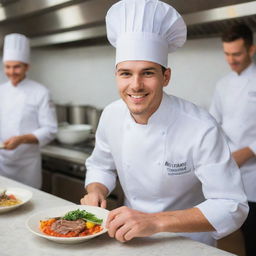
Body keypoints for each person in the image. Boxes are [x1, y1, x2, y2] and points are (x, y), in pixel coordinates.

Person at [81, 0, 248, 246]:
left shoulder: (200, 127)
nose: (135, 85)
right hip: (131, 236)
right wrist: (96, 190)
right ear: (116, 76)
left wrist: (155, 221)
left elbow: (231, 205)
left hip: (188, 242)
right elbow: (101, 166)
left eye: (147, 73)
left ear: (166, 77)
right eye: (126, 73)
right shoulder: (111, 114)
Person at [210, 24, 256, 255]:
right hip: (231, 171)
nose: (231, 60)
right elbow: (213, 124)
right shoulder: (223, 84)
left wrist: (247, 152)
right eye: (227, 54)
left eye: (236, 54)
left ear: (251, 49)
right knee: (242, 236)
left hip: (254, 174)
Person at [0, 33, 57, 189]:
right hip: (2, 163)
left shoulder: (41, 92)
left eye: (17, 66)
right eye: (8, 67)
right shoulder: (1, 91)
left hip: (27, 166)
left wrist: (22, 139)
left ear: (27, 66)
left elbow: (50, 129)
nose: (12, 72)